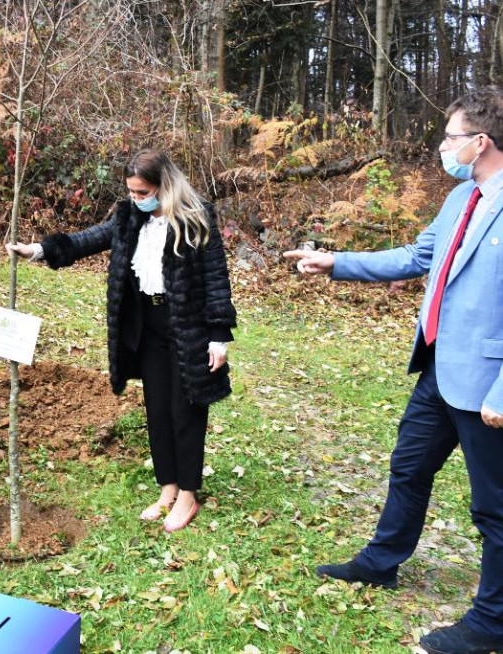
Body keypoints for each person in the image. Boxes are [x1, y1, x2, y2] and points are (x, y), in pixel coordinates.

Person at [285, 87, 503, 654]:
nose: (441, 147)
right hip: (439, 368)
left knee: (493, 509)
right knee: (408, 467)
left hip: (488, 385)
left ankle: (490, 624)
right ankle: (381, 562)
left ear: (480, 142)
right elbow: (417, 256)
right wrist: (335, 261)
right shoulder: (462, 198)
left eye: (451, 137)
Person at [8, 149, 236, 533]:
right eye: (131, 192)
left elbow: (216, 278)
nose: (136, 198)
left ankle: (188, 495)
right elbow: (89, 239)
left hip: (187, 327)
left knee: (187, 409)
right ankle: (168, 488)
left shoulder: (197, 217)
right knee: (157, 409)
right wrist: (39, 250)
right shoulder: (129, 217)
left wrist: (218, 337)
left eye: (142, 191)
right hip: (145, 326)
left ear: (164, 186)